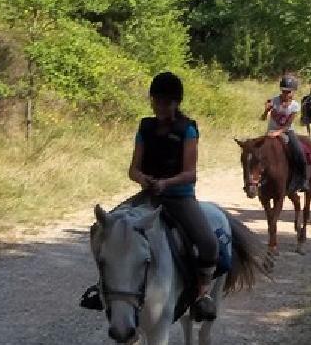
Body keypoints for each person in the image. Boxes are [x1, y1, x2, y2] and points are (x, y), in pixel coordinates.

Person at [81, 71, 219, 320]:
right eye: (155, 101)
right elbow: (133, 169)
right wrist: (144, 180)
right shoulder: (145, 127)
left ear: (176, 103)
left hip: (179, 196)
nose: (159, 106)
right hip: (148, 194)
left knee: (208, 243)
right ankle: (102, 286)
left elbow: (190, 174)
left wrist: (166, 183)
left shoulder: (187, 130)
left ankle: (202, 293)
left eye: (164, 102)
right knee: (100, 229)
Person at [263, 74, 308, 194]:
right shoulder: (274, 101)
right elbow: (263, 118)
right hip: (271, 132)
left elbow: (287, 125)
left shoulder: (295, 106)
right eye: (283, 91)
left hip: (287, 132)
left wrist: (277, 132)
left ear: (293, 92)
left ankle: (303, 180)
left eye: (288, 92)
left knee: (299, 152)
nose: (285, 94)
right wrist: (266, 110)